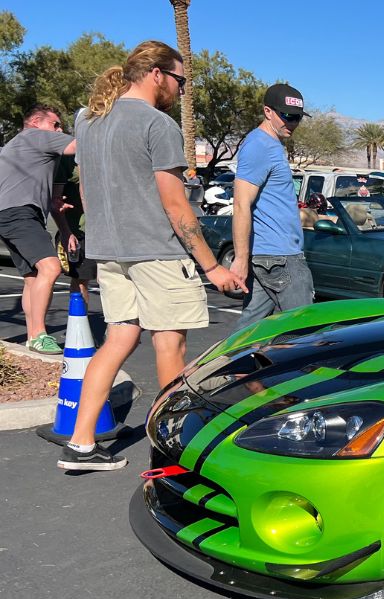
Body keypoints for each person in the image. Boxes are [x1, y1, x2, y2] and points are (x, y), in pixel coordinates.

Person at [61, 40, 246, 471]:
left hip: (110, 250)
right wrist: (213, 266)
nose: (182, 90)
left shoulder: (88, 120)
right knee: (171, 345)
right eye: (180, 81)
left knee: (119, 339)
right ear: (158, 74)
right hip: (157, 253)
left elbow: (86, 191)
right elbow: (177, 207)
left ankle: (81, 445)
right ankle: (170, 452)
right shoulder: (157, 125)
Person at [230, 83, 314, 330]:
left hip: (271, 256)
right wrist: (241, 259)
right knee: (304, 331)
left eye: (297, 117)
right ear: (268, 111)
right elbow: (241, 203)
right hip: (281, 257)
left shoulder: (269, 145)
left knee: (251, 333)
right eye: (287, 116)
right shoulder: (260, 146)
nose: (292, 123)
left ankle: (225, 367)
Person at [0, 104, 78, 354]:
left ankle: (33, 336)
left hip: (11, 213)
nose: (59, 130)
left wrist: (53, 202)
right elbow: (78, 146)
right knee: (51, 267)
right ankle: (38, 335)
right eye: (55, 124)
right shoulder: (36, 136)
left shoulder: (18, 144)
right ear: (35, 122)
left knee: (32, 278)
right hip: (19, 213)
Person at [52, 155, 95, 307]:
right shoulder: (67, 159)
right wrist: (66, 232)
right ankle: (78, 327)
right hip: (80, 231)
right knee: (81, 279)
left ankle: (117, 329)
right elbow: (56, 201)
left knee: (116, 280)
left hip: (109, 229)